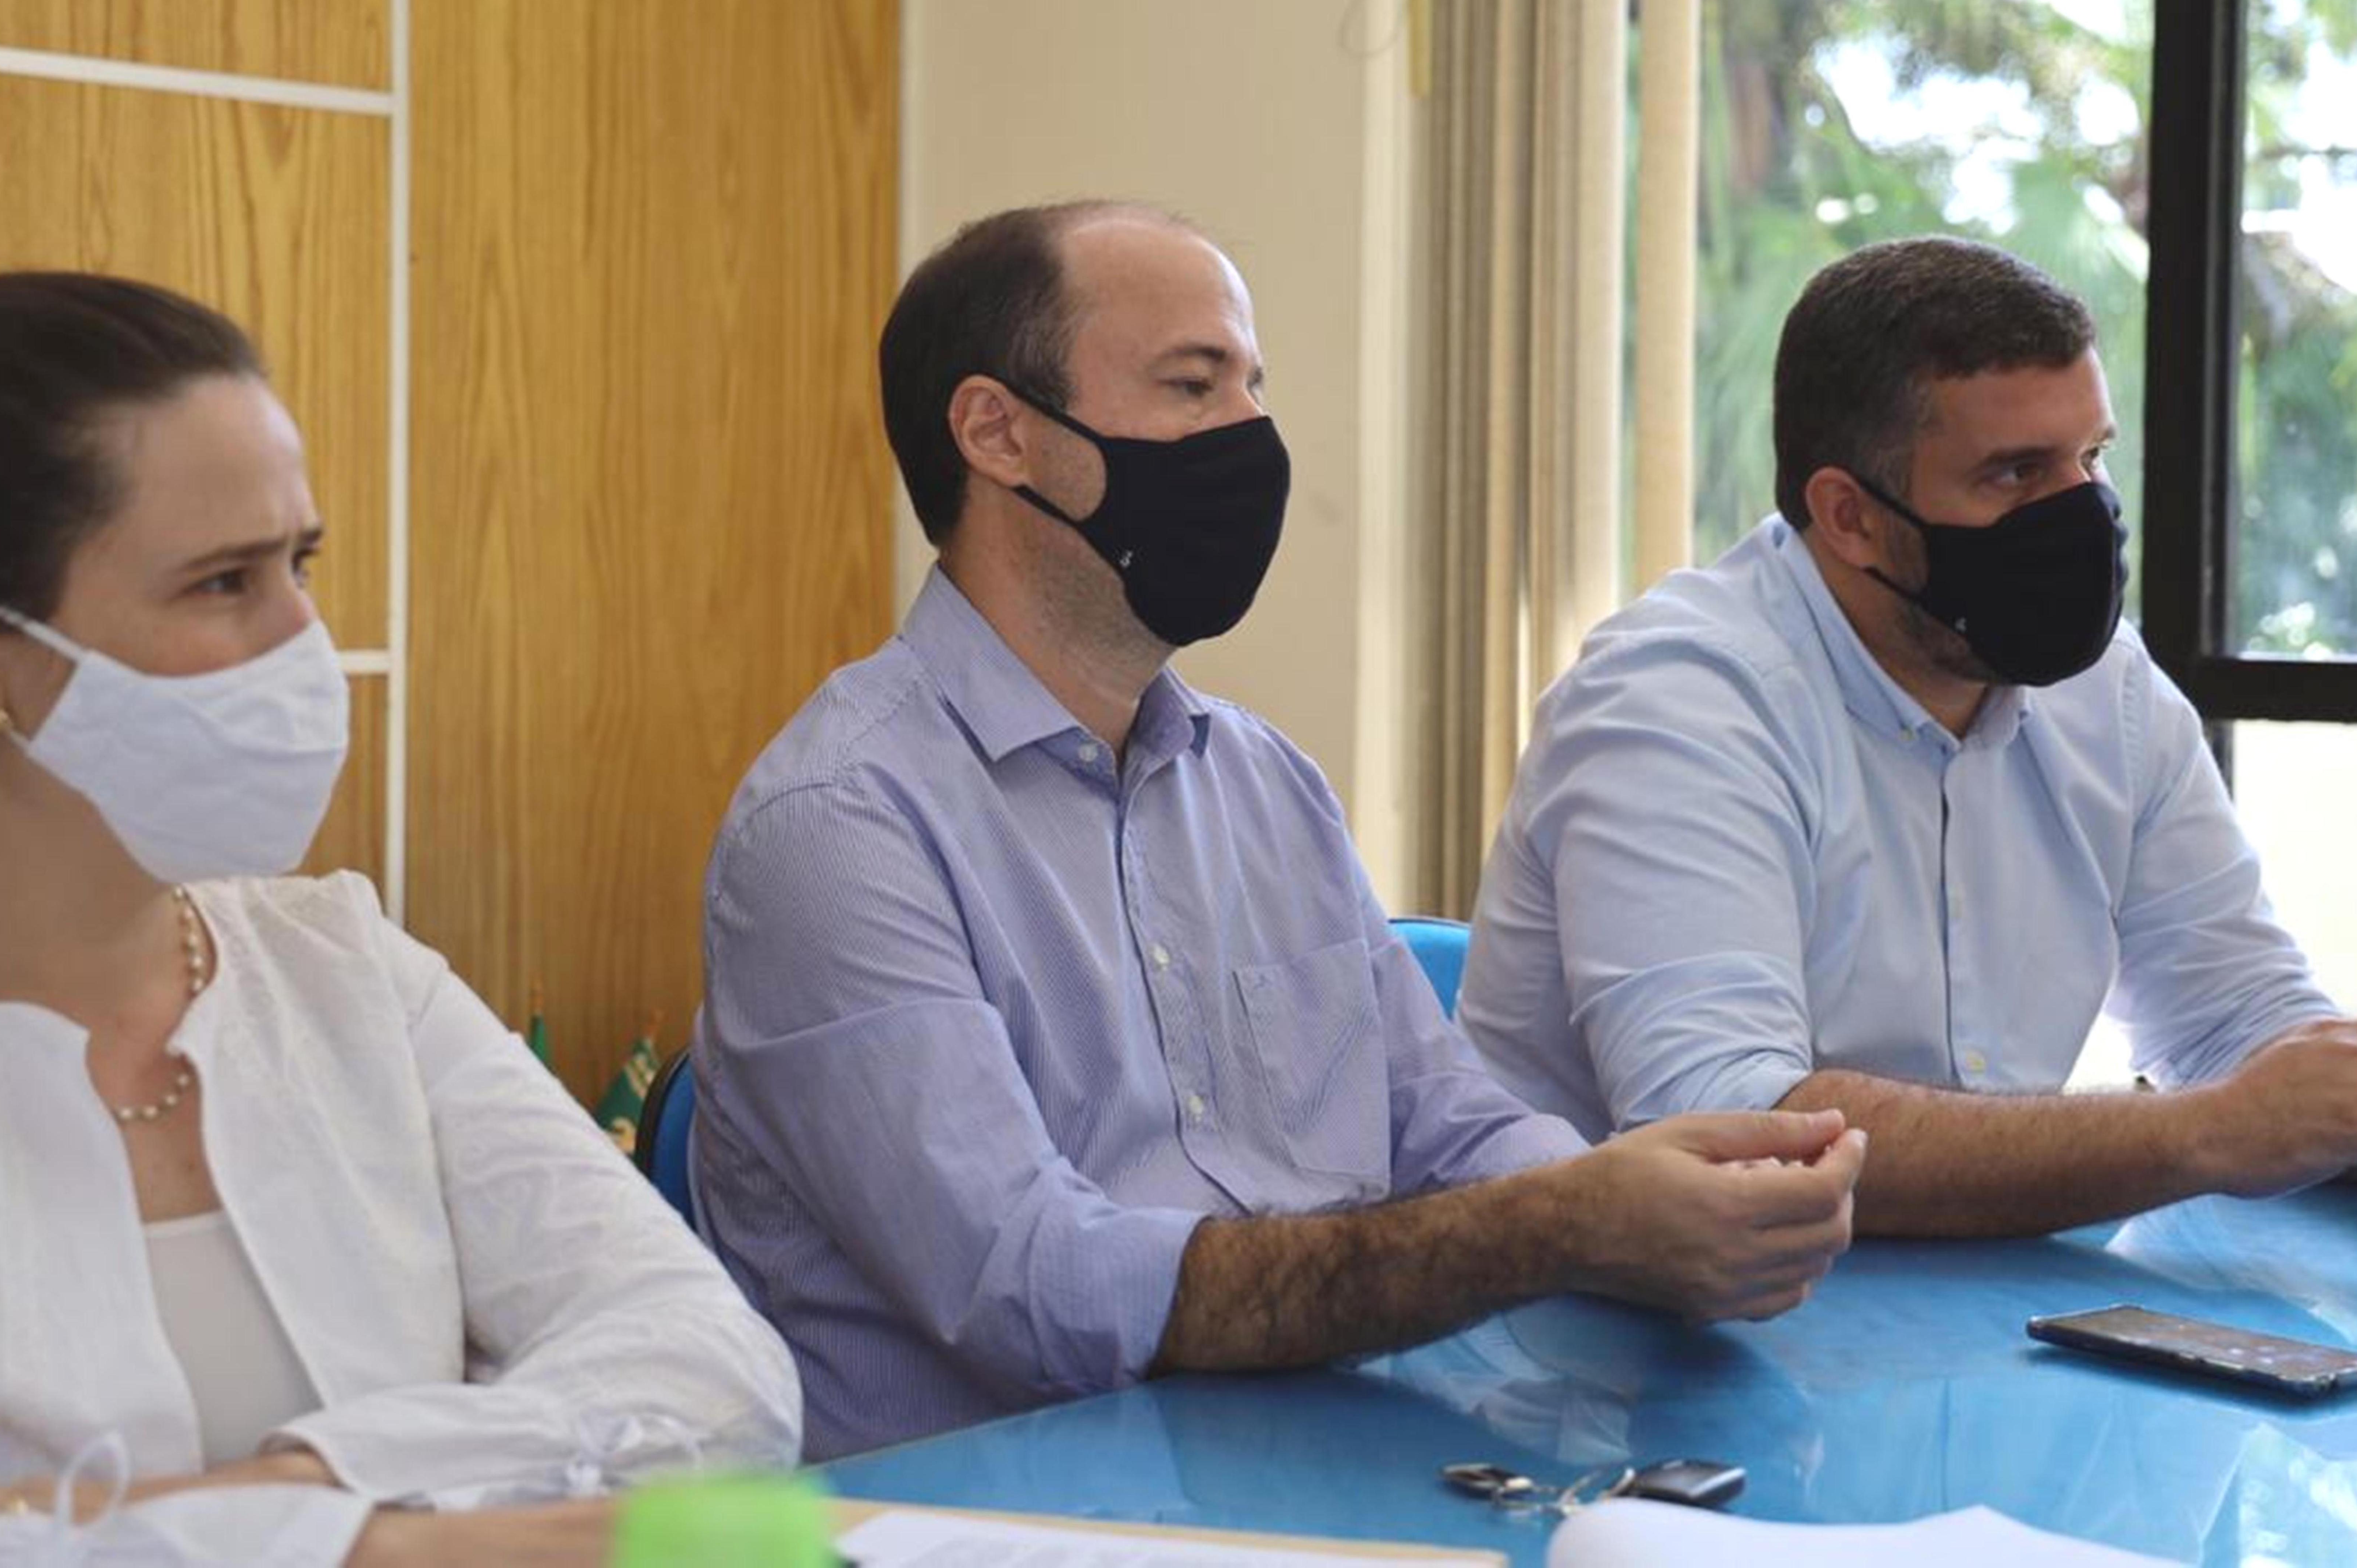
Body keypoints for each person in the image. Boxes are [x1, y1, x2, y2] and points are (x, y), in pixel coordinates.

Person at [0, 273, 801, 1566]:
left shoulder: (344, 963)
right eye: (221, 583)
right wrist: (364, 1548)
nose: (305, 639)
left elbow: (719, 1375)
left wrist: (313, 1488)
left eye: (299, 564)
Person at [692, 201, 1867, 1460]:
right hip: (1011, 1505)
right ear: (998, 434)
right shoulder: (839, 825)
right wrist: (1558, 1229)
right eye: (1193, 385)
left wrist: (1655, 1200)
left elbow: (1447, 1129)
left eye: (1254, 386)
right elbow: (1034, 1289)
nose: (1250, 435)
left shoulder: (1264, 783)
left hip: (1314, 1460)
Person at [1456, 236, 2357, 1241]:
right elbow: (1735, 1132)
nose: (2083, 512)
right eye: (2016, 474)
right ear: (1850, 517)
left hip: (1967, 1310)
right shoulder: (1677, 703)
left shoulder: (2107, 689)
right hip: (1616, 1339)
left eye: (2091, 458)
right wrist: (2212, 1132)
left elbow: (2232, 1014)